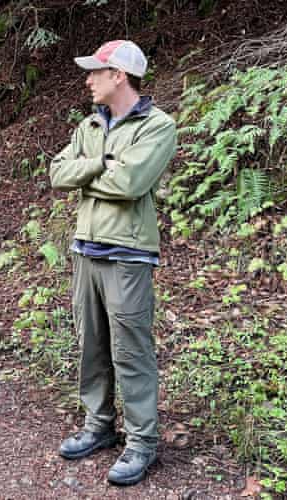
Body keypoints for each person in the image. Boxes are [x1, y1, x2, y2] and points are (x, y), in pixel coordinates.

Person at [49, 40, 177, 485]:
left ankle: (141, 442)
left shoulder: (157, 126)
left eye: (95, 73)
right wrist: (102, 163)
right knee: (92, 347)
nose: (88, 81)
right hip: (87, 249)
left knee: (131, 351)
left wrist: (90, 171)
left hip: (128, 255)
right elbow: (56, 174)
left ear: (118, 75)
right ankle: (99, 427)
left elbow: (130, 183)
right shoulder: (89, 123)